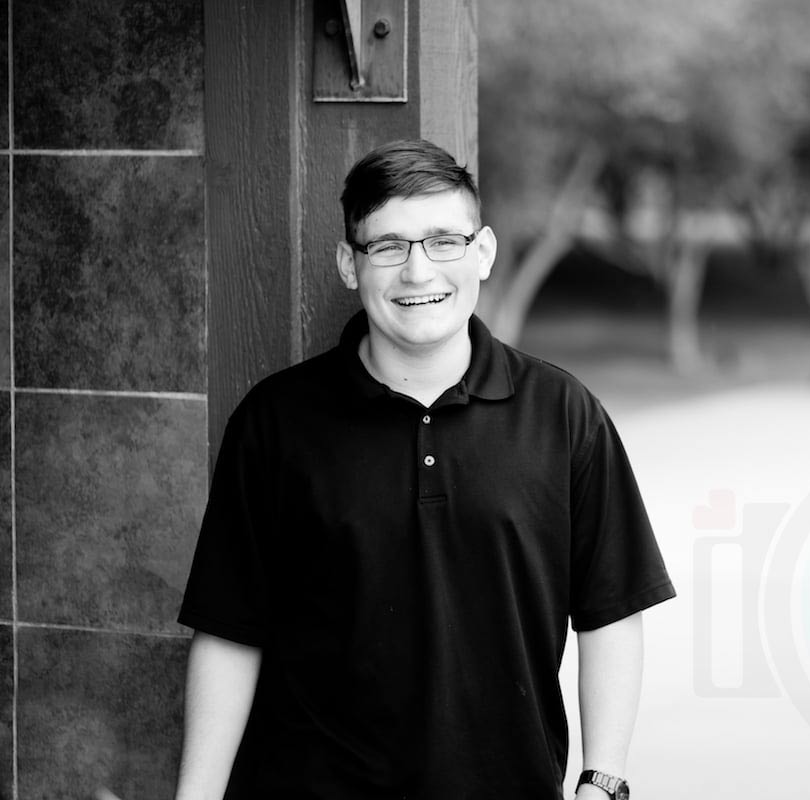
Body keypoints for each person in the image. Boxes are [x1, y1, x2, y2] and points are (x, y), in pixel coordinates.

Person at [173, 139, 675, 800]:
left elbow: (610, 610)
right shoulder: (276, 421)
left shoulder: (565, 414)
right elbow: (231, 631)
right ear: (349, 266)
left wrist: (601, 782)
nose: (418, 272)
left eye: (443, 241)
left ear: (483, 253)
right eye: (387, 246)